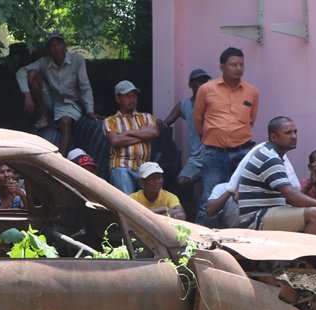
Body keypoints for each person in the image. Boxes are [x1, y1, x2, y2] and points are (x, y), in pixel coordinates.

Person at [234, 117, 316, 234]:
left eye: (295, 132)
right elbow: (291, 196)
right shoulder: (269, 157)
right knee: (315, 214)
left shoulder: (273, 155)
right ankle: (304, 253)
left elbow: (291, 199)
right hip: (255, 218)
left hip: (269, 212)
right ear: (273, 137)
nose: (294, 136)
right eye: (288, 133)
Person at [194, 47, 259, 221]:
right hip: (214, 152)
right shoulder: (206, 89)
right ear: (222, 66)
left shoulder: (251, 91)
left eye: (241, 64)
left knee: (243, 195)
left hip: (243, 152)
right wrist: (212, 137)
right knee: (211, 198)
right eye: (233, 65)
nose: (238, 68)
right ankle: (199, 239)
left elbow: (251, 120)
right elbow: (198, 119)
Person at [15, 33, 93, 153]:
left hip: (71, 103)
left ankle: (62, 158)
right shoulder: (44, 62)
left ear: (64, 45)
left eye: (58, 44)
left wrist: (90, 110)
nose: (56, 48)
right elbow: (21, 72)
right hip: (52, 101)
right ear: (49, 50)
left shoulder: (77, 59)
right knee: (32, 74)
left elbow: (85, 86)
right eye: (52, 45)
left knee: (65, 122)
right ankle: (44, 114)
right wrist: (27, 96)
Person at [161, 68, 211, 210]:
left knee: (202, 192)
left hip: (212, 153)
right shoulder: (184, 105)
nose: (202, 84)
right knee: (182, 181)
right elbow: (166, 122)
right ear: (190, 85)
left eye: (204, 82)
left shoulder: (213, 103)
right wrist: (160, 124)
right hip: (195, 157)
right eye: (198, 82)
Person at [103, 80, 158, 194]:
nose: (132, 99)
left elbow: (154, 133)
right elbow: (115, 140)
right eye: (127, 96)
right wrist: (143, 135)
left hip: (144, 165)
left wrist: (127, 133)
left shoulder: (146, 117)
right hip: (121, 164)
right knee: (127, 202)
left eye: (134, 96)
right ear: (118, 99)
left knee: (156, 195)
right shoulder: (110, 120)